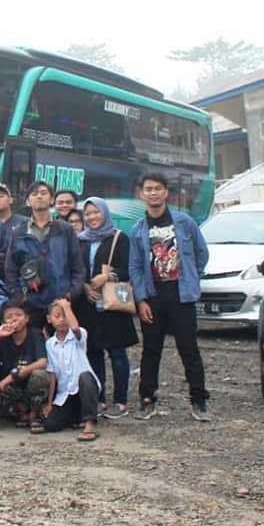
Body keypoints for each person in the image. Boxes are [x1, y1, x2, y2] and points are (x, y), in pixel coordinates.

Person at [128, 172, 211, 421]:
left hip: (182, 295)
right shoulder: (138, 229)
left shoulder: (184, 222)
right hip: (153, 296)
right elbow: (135, 266)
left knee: (189, 348)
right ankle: (147, 399)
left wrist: (191, 277)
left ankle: (199, 401)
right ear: (141, 194)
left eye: (157, 188)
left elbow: (201, 253)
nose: (153, 193)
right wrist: (141, 299)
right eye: (148, 189)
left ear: (166, 192)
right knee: (151, 350)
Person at [76, 196, 137, 420]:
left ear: (105, 213)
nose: (92, 217)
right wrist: (84, 287)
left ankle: (120, 401)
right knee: (93, 352)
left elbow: (129, 269)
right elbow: (75, 269)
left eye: (96, 212)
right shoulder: (80, 240)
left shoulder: (119, 238)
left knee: (117, 352)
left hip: (112, 304)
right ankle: (99, 398)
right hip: (88, 304)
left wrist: (108, 276)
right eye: (88, 214)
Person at [4, 181, 85, 331]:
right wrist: (20, 296)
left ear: (52, 199)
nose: (39, 196)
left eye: (43, 193)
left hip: (61, 304)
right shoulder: (18, 233)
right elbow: (10, 270)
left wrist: (70, 294)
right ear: (28, 201)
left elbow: (78, 267)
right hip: (31, 304)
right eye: (34, 194)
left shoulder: (65, 229)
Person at [0, 299, 50, 431]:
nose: (14, 319)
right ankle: (21, 413)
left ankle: (35, 415)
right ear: (3, 322)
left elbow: (43, 362)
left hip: (33, 388)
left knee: (40, 375)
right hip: (14, 391)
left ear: (27, 318)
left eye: (18, 315)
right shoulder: (4, 339)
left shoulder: (35, 334)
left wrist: (13, 376)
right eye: (9, 317)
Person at [35, 298, 100, 441]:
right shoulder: (50, 344)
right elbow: (53, 374)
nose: (62, 320)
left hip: (84, 388)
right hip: (65, 394)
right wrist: (50, 403)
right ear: (49, 319)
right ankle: (76, 418)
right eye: (57, 316)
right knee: (51, 424)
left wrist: (66, 306)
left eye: (65, 316)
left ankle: (90, 424)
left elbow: (75, 328)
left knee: (85, 376)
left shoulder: (79, 335)